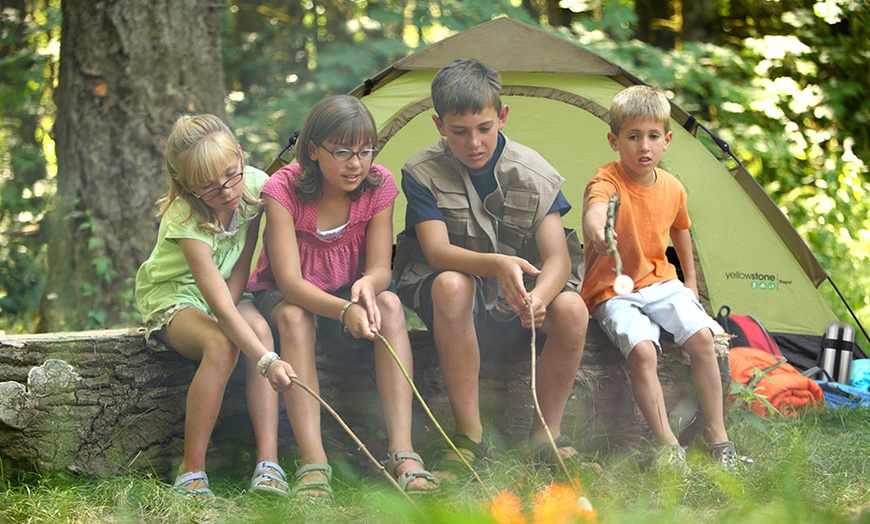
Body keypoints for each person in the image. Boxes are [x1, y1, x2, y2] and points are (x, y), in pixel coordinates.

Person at [394, 58, 589, 479]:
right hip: (455, 301)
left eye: (484, 128)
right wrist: (498, 265)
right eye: (459, 131)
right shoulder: (421, 171)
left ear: (501, 117)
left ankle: (546, 437)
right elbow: (436, 250)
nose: (474, 143)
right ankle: (469, 437)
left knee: (573, 310)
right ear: (439, 125)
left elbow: (557, 257)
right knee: (450, 284)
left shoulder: (534, 171)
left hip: (518, 301)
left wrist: (540, 298)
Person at [247, 95, 439, 498]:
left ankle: (402, 451)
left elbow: (380, 269)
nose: (357, 164)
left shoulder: (378, 184)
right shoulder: (282, 188)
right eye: (344, 152)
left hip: (346, 294)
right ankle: (314, 461)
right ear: (313, 151)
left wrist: (367, 287)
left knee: (387, 304)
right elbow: (288, 281)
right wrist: (344, 309)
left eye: (366, 151)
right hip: (285, 294)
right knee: (295, 318)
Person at [135, 114, 298, 500]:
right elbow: (218, 310)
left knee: (260, 331)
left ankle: (268, 463)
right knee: (222, 344)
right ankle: (191, 470)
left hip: (228, 289)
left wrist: (257, 341)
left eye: (231, 174)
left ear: (241, 156)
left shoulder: (255, 186)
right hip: (176, 295)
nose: (226, 192)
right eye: (209, 187)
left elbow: (241, 263)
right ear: (185, 185)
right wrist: (267, 361)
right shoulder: (185, 216)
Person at [580, 85, 737, 470]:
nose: (643, 147)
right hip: (612, 290)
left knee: (703, 338)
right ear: (614, 140)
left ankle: (718, 437)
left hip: (661, 282)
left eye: (652, 137)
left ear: (667, 141)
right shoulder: (607, 181)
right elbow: (594, 212)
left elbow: (682, 229)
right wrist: (598, 233)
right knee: (644, 350)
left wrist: (692, 284)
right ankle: (668, 446)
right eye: (633, 137)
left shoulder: (672, 187)